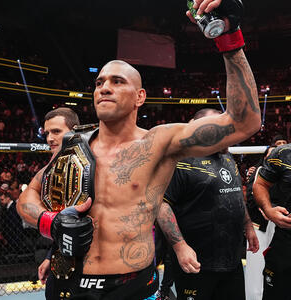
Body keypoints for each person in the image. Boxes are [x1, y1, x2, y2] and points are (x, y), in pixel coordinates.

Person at [18, 1, 261, 298]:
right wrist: (50, 222)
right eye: (99, 82)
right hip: (67, 282)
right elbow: (27, 196)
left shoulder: (158, 143)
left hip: (130, 285)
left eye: (117, 81)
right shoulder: (73, 146)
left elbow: (244, 122)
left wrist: (230, 38)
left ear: (140, 96)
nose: (104, 88)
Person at [157, 108, 259, 300]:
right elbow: (162, 204)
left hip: (232, 260)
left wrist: (248, 226)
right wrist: (180, 246)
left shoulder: (227, 158)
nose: (224, 132)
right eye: (216, 127)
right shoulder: (180, 161)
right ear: (197, 128)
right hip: (197, 262)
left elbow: (235, 194)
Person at [17, 107, 80, 284]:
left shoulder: (93, 162)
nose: (50, 138)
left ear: (74, 131)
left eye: (57, 132)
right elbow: (64, 223)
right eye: (47, 133)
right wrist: (50, 256)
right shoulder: (53, 167)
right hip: (64, 256)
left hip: (96, 262)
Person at [244, 134, 287, 300]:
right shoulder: (259, 174)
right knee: (256, 272)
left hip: (277, 228)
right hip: (259, 227)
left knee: (274, 270)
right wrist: (267, 209)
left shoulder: (283, 176)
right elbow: (251, 198)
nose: (277, 154)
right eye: (273, 152)